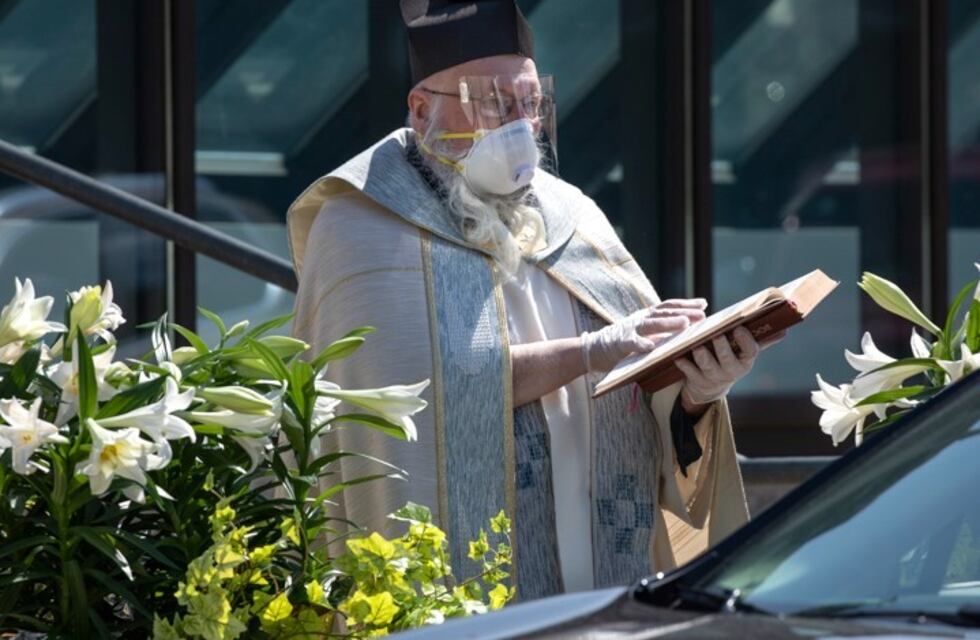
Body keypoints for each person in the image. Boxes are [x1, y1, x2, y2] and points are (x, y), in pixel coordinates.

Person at [288, 0, 767, 600]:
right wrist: (594, 350)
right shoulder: (362, 225)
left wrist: (697, 389)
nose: (518, 124)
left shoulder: (573, 213)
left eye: (530, 103)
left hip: (602, 578)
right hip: (459, 594)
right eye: (493, 102)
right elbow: (416, 404)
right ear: (421, 108)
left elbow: (647, 388)